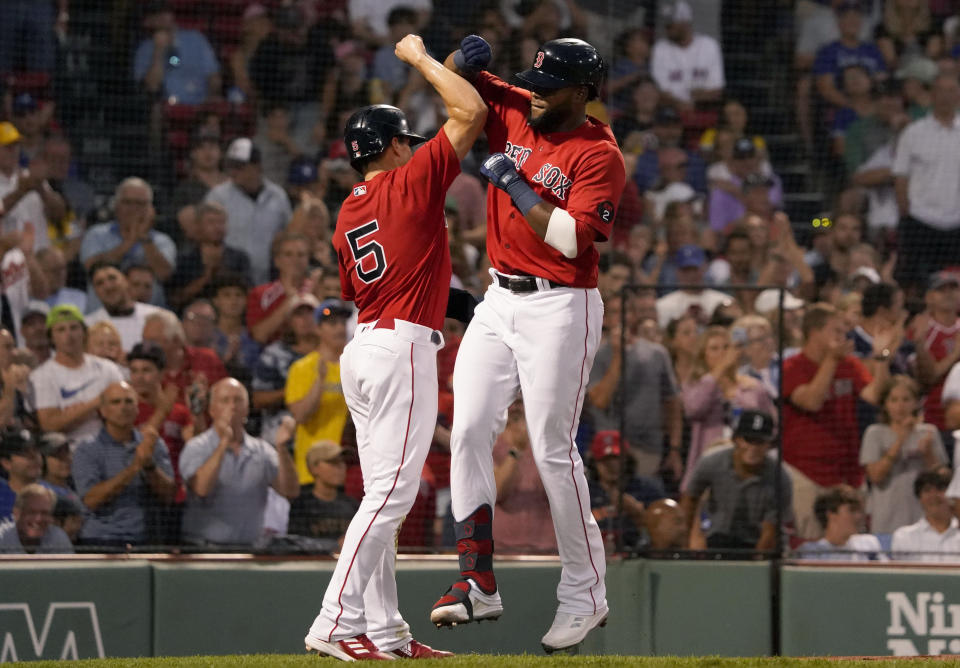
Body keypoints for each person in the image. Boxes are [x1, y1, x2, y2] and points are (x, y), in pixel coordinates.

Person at [430, 34, 625, 654]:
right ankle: (476, 579)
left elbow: (571, 239)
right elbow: (454, 79)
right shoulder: (518, 104)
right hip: (499, 298)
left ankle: (585, 593)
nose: (536, 94)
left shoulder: (601, 154)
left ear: (583, 92)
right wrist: (462, 58)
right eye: (533, 83)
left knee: (550, 447)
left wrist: (514, 183)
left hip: (562, 304)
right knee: (467, 429)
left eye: (549, 87)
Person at [304, 33, 485, 661]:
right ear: (393, 147)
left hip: (366, 345)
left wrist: (453, 304)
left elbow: (386, 280)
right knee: (389, 498)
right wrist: (421, 60)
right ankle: (334, 622)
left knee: (380, 496)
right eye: (407, 139)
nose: (415, 146)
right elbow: (471, 113)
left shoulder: (349, 209)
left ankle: (385, 633)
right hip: (400, 350)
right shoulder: (409, 183)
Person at [782, 302, 896, 539]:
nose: (843, 337)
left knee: (853, 542)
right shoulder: (792, 367)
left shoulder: (849, 363)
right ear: (814, 333)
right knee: (809, 543)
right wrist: (831, 361)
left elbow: (874, 395)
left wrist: (881, 357)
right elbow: (812, 401)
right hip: (806, 473)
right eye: (836, 331)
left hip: (847, 471)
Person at [179, 378, 298, 546]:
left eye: (238, 400)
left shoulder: (263, 450)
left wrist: (282, 448)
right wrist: (223, 443)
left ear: (247, 409)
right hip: (203, 550)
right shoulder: (197, 447)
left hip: (250, 550)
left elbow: (290, 491)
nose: (232, 406)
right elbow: (201, 489)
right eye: (225, 400)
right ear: (212, 410)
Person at [588, 292, 682, 479]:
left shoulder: (657, 354)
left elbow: (672, 404)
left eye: (627, 311)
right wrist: (617, 356)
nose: (622, 316)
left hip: (648, 447)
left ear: (635, 316)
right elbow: (599, 401)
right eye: (615, 312)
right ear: (605, 319)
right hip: (609, 450)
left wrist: (674, 448)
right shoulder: (593, 355)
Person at [72, 382, 176, 546]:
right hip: (102, 539)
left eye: (129, 402)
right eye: (116, 402)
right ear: (103, 411)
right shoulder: (87, 449)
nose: (123, 407)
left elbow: (169, 495)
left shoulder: (153, 443)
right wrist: (134, 467)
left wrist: (149, 465)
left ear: (137, 409)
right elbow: (91, 500)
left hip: (146, 539)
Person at [681, 409, 792, 551]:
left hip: (760, 543)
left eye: (760, 441)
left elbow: (769, 532)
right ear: (736, 439)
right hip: (718, 538)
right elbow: (690, 500)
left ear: (769, 444)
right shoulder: (711, 463)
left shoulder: (779, 477)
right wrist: (686, 545)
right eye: (748, 439)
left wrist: (756, 566)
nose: (753, 447)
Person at [680, 325, 775, 491]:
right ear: (704, 355)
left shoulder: (752, 386)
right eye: (714, 348)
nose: (722, 353)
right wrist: (719, 370)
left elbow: (772, 426)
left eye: (726, 347)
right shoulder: (696, 385)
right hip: (708, 466)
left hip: (749, 467)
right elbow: (694, 409)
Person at [893, 74, 960, 291]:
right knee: (917, 285)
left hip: (957, 221)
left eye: (952, 90)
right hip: (920, 221)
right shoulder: (913, 133)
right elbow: (900, 175)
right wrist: (906, 213)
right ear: (931, 95)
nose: (946, 96)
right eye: (941, 90)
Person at [861, 376, 946, 547]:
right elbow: (876, 476)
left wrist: (928, 453)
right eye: (894, 400)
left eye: (906, 399)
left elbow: (942, 479)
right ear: (885, 404)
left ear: (916, 403)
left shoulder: (929, 432)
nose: (900, 406)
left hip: (921, 520)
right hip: (886, 519)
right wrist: (901, 439)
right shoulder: (875, 433)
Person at [30, 305, 125, 443]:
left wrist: (71, 414)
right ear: (51, 337)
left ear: (84, 332)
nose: (69, 335)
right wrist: (97, 403)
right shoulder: (41, 376)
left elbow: (124, 409)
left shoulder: (107, 368)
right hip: (68, 449)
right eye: (61, 330)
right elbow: (49, 425)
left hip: (109, 444)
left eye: (74, 328)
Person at [205, 140, 293, 286]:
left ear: (257, 167)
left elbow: (288, 233)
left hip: (270, 277)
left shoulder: (278, 196)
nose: (233, 172)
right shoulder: (218, 196)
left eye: (239, 167)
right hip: (231, 278)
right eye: (231, 166)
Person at [79, 177, 176, 309]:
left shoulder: (162, 241)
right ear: (116, 205)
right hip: (102, 318)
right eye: (127, 202)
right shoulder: (96, 234)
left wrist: (145, 238)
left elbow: (164, 273)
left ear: (151, 209)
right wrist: (130, 241)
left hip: (150, 320)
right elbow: (92, 267)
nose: (133, 209)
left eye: (140, 203)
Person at [285, 299, 350, 484]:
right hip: (313, 469)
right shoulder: (302, 368)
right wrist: (319, 381)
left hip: (350, 466)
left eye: (342, 323)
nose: (339, 328)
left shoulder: (356, 367)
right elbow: (300, 415)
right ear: (318, 329)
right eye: (332, 323)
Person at [491, 399, 557, 554]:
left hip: (545, 548)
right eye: (513, 401)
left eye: (521, 402)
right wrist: (517, 449)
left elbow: (556, 493)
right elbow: (498, 491)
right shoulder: (489, 442)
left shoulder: (549, 442)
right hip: (501, 549)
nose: (516, 407)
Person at [252, 294, 318, 443]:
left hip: (322, 434)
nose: (306, 320)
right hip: (280, 437)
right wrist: (295, 391)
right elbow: (258, 399)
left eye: (310, 313)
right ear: (289, 322)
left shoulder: (333, 354)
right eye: (299, 315)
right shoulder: (274, 355)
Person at [588, 431, 666, 553]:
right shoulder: (585, 492)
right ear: (594, 463)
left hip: (641, 556)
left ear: (627, 459)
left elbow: (666, 534)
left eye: (616, 459)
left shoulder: (647, 489)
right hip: (592, 556)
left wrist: (639, 514)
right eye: (605, 460)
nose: (611, 466)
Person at [167, 201, 251, 312]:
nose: (217, 227)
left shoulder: (240, 258)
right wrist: (207, 276)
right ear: (198, 225)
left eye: (221, 222)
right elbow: (176, 298)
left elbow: (249, 291)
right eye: (211, 222)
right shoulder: (185, 260)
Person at [133, 0, 221, 106]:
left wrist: (209, 101)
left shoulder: (196, 39)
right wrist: (158, 51)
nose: (162, 17)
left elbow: (214, 77)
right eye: (155, 14)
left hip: (199, 107)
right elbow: (152, 87)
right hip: (166, 110)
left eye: (165, 11)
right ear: (147, 21)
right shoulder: (144, 49)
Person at [141, 310, 226, 409]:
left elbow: (226, 398)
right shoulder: (142, 371)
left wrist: (207, 396)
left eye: (153, 341)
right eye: (144, 341)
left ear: (176, 340)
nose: (146, 347)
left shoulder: (207, 360)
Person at [0, 122, 66, 251]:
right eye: (7, 147)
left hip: (40, 256)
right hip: (9, 262)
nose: (13, 151)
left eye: (16, 145)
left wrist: (41, 189)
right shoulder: (27, 181)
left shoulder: (31, 176)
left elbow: (59, 215)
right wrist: (20, 191)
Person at [650, 1, 725, 110]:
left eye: (671, 25)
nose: (667, 30)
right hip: (671, 111)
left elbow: (717, 90)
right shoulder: (660, 48)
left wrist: (694, 99)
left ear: (685, 22)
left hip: (703, 109)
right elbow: (659, 91)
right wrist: (683, 101)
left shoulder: (709, 45)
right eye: (666, 26)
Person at [287, 440, 357, 545]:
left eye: (343, 461)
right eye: (333, 462)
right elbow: (296, 544)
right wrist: (335, 545)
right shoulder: (300, 506)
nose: (340, 467)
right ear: (313, 467)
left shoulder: (353, 505)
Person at [247, 232, 312, 345]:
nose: (295, 260)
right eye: (288, 254)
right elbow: (259, 335)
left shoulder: (317, 288)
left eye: (301, 255)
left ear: (307, 260)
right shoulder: (261, 294)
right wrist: (291, 300)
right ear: (277, 261)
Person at [85, 262, 163, 352]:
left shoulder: (156, 317)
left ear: (126, 281)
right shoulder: (88, 325)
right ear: (95, 292)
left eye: (112, 278)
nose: (108, 286)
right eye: (99, 283)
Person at [796, 485, 887, 560]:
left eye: (859, 511)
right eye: (852, 510)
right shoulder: (811, 553)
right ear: (831, 515)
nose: (859, 516)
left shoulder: (869, 545)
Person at [892, 467, 960, 562]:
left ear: (951, 494)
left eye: (940, 489)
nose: (933, 495)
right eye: (927, 490)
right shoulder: (904, 537)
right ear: (919, 498)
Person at [656, 245, 732, 329]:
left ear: (704, 267)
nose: (691, 275)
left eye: (695, 269)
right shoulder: (663, 305)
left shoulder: (722, 301)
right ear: (677, 272)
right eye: (686, 270)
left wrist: (711, 323)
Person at [0, 484, 74, 554]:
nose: (38, 519)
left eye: (45, 513)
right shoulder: (2, 536)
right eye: (31, 512)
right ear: (16, 513)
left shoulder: (58, 538)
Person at [0, 428, 44, 520]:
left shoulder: (54, 496)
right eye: (25, 453)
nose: (34, 456)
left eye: (36, 450)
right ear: (6, 463)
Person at [0, 327, 33, 429]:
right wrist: (10, 385)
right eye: (7, 347)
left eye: (13, 346)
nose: (14, 353)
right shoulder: (10, 377)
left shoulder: (12, 371)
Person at [37, 246, 85, 311]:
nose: (61, 274)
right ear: (40, 272)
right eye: (55, 270)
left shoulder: (80, 298)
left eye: (63, 268)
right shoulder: (29, 304)